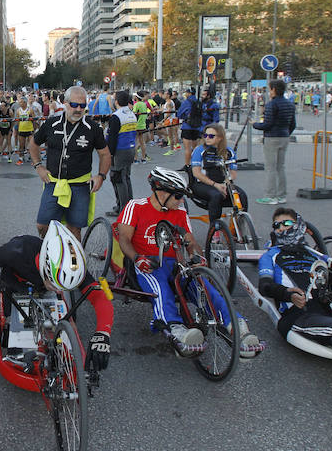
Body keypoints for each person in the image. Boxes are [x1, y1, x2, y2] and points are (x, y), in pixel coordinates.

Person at [116, 167, 261, 356]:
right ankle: (175, 327)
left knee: (203, 286)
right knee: (160, 289)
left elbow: (191, 242)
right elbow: (124, 239)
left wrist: (197, 257)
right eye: (177, 195)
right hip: (147, 263)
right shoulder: (135, 206)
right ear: (161, 191)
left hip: (175, 263)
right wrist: (137, 258)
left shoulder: (180, 212)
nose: (181, 200)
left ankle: (236, 324)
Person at [0, 220, 114, 373]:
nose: (57, 289)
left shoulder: (73, 264)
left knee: (59, 327)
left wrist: (102, 333)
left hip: (41, 288)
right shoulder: (18, 249)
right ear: (45, 265)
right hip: (14, 284)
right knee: (11, 337)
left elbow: (99, 296)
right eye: (54, 283)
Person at [258, 208, 332, 400]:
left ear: (298, 226)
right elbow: (264, 286)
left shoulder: (313, 255)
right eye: (277, 225)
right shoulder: (271, 255)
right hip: (299, 315)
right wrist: (288, 294)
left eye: (286, 223)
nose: (281, 228)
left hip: (329, 309)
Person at [28, 85, 111, 240]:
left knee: (74, 230)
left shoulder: (93, 128)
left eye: (82, 105)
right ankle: (51, 251)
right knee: (42, 225)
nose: (78, 109)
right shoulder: (51, 124)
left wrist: (101, 176)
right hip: (54, 183)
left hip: (80, 185)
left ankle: (74, 262)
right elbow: (33, 145)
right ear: (65, 103)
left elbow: (105, 154)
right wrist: (38, 166)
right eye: (74, 105)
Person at [189, 123, 248, 224]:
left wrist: (225, 184)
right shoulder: (199, 150)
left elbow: (233, 174)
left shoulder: (229, 151)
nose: (207, 138)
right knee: (216, 195)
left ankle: (238, 227)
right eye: (205, 135)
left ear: (220, 138)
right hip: (202, 184)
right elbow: (196, 173)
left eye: (211, 136)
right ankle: (215, 229)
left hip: (223, 183)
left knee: (242, 195)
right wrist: (215, 185)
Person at [253, 79, 296, 205]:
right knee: (280, 167)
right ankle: (281, 195)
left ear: (274, 90)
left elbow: (268, 124)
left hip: (272, 137)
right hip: (285, 136)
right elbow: (293, 124)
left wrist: (255, 124)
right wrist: (286, 133)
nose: (269, 91)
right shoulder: (289, 104)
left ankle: (270, 195)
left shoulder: (272, 105)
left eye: (270, 89)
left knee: (270, 168)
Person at [106, 90, 137, 218]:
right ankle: (129, 206)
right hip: (130, 149)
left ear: (117, 101)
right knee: (126, 178)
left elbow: (112, 138)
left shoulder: (116, 116)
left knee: (118, 179)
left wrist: (110, 154)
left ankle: (123, 210)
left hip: (119, 151)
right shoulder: (131, 114)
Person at [176, 88, 203, 167]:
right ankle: (196, 164)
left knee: (187, 149)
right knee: (195, 148)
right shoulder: (199, 102)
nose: (185, 94)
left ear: (189, 93)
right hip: (197, 127)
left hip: (187, 127)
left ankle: (187, 165)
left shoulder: (186, 102)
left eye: (186, 93)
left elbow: (179, 114)